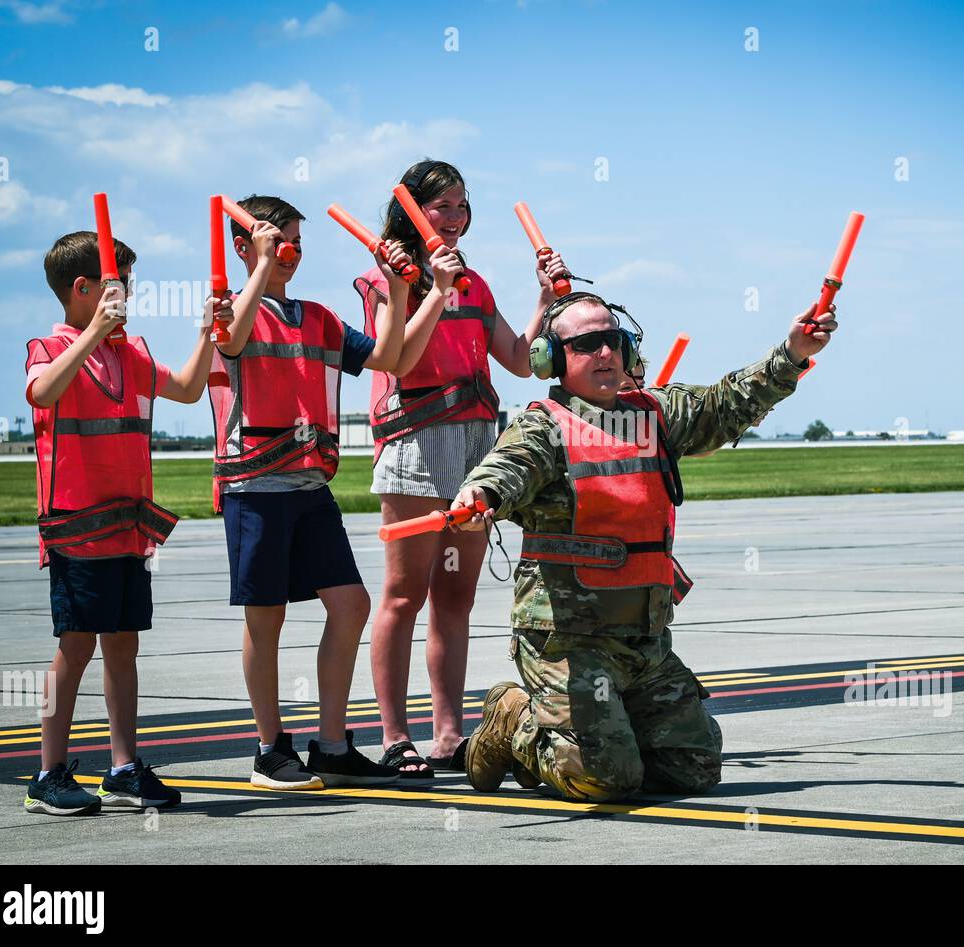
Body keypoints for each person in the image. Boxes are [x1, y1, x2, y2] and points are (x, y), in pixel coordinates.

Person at [451, 291, 840, 801]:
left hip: (645, 642)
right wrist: (481, 495)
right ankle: (514, 719)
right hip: (569, 645)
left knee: (692, 769)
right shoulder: (542, 426)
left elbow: (726, 403)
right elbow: (505, 470)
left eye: (612, 341)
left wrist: (792, 354)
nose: (606, 354)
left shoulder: (656, 414)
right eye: (587, 345)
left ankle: (599, 728)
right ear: (551, 358)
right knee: (604, 780)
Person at [353, 160, 567, 781]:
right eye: (441, 206)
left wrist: (544, 302)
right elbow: (400, 359)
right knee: (402, 595)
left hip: (477, 449)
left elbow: (521, 362)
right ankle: (396, 735)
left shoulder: (474, 282)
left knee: (456, 596)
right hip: (416, 447)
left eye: (461, 206)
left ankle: (448, 731)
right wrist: (432, 288)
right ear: (412, 214)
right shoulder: (385, 281)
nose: (454, 218)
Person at [209, 195, 404, 790]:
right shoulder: (228, 309)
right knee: (264, 619)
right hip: (255, 486)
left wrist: (397, 293)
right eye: (277, 239)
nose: (290, 250)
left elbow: (391, 355)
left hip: (310, 485)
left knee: (350, 604)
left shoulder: (316, 317)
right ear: (244, 247)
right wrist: (261, 269)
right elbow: (233, 342)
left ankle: (332, 744)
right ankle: (269, 749)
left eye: (295, 241)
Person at [24, 229, 221, 814]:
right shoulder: (49, 346)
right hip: (77, 529)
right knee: (76, 645)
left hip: (127, 529)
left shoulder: (128, 354)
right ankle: (48, 774)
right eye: (119, 286)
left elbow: (186, 389)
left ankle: (124, 766)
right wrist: (91, 334)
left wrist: (207, 330)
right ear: (82, 290)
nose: (127, 297)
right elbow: (41, 392)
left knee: (123, 646)